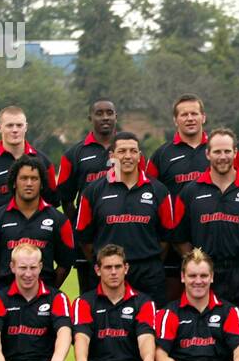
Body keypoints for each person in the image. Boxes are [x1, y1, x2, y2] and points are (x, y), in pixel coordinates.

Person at [170, 127, 239, 312]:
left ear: (235, 152)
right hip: (205, 278)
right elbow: (179, 239)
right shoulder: (190, 191)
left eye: (227, 151)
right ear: (207, 154)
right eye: (217, 151)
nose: (223, 156)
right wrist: (199, 265)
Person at [75, 131, 177, 303]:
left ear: (139, 156)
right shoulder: (93, 191)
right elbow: (85, 239)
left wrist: (146, 259)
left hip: (148, 276)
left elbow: (166, 237)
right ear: (112, 156)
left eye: (133, 151)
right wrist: (105, 263)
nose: (128, 156)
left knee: (150, 327)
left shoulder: (158, 190)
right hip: (109, 273)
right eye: (122, 151)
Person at [69, 245, 165, 361]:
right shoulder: (84, 302)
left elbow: (146, 337)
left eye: (118, 267)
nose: (113, 272)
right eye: (108, 267)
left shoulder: (143, 302)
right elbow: (82, 337)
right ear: (97, 270)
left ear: (126, 268)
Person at [0, 243, 74, 361]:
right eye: (22, 268)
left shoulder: (57, 297)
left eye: (33, 268)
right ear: (12, 267)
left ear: (40, 267)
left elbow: (64, 332)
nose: (28, 274)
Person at [146, 93, 212, 302]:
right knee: (174, 306)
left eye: (194, 113)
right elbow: (148, 196)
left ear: (203, 117)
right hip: (174, 245)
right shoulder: (162, 155)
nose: (190, 118)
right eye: (184, 114)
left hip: (212, 237)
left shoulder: (219, 152)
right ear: (175, 120)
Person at [0, 154, 76, 292]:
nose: (29, 183)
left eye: (34, 179)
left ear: (42, 183)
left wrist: (48, 290)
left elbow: (65, 264)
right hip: (7, 299)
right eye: (23, 178)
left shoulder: (59, 220)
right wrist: (5, 290)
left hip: (45, 299)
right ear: (14, 182)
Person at [56, 99, 117, 294]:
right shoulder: (74, 153)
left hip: (122, 230)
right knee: (90, 293)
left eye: (110, 112)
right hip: (88, 239)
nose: (105, 117)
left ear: (116, 116)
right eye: (99, 113)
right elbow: (65, 197)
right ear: (90, 117)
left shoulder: (128, 150)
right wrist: (79, 224)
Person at [0, 105, 57, 220]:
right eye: (10, 125)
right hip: (1, 236)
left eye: (19, 125)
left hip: (36, 236)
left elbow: (52, 203)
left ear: (26, 127)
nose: (15, 130)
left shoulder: (44, 162)